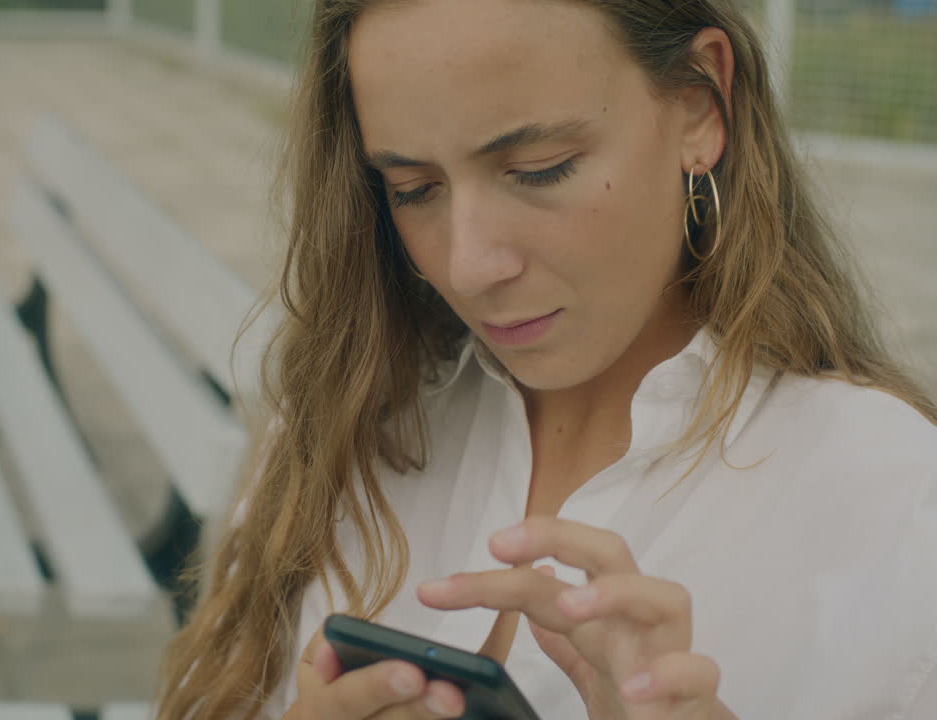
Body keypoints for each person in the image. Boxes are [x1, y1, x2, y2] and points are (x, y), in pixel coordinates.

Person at [154, 0, 937, 718]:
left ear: (701, 103)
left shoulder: (897, 512)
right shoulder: (347, 423)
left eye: (538, 169)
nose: (468, 266)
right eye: (413, 188)